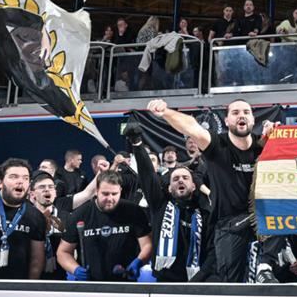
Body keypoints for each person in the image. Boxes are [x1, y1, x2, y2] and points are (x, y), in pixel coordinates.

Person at [146, 98, 280, 282]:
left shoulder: (265, 144)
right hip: (229, 223)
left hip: (262, 219)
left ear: (253, 119)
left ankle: (265, 266)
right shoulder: (217, 144)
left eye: (246, 112)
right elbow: (191, 126)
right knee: (230, 282)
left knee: (279, 211)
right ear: (226, 121)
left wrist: (278, 136)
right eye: (235, 113)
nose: (241, 115)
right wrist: (165, 112)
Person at [125, 125, 210, 282]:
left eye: (185, 178)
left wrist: (201, 277)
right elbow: (148, 175)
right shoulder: (160, 205)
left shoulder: (204, 212)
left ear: (193, 186)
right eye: (175, 179)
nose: (180, 180)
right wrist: (137, 143)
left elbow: (211, 249)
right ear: (169, 188)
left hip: (197, 280)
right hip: (165, 280)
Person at [57, 171, 152, 282]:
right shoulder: (81, 214)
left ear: (120, 190)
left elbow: (148, 244)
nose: (110, 198)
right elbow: (63, 252)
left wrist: (139, 261)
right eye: (105, 194)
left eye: (114, 194)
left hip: (126, 281)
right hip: (90, 283)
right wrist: (75, 269)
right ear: (96, 191)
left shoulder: (134, 211)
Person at [30, 171, 97, 280]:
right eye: (42, 187)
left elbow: (88, 193)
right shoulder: (25, 215)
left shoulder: (66, 216)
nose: (47, 189)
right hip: (29, 276)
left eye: (51, 187)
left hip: (59, 278)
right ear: (32, 194)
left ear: (55, 193)